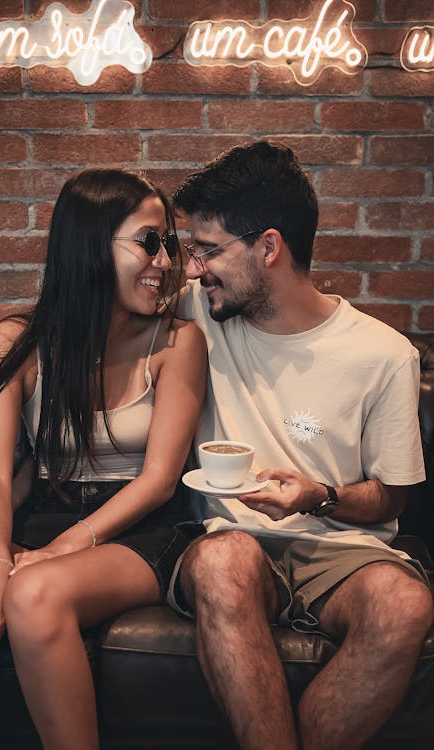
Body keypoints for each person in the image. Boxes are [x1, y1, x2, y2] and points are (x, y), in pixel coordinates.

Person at [168, 140, 434, 750]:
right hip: (230, 541)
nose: (191, 268)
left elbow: (391, 499)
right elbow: (88, 305)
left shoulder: (385, 356)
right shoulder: (200, 312)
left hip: (341, 552)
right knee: (221, 563)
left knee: (404, 604)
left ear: (269, 247)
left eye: (207, 251)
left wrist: (319, 497)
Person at [0, 168, 207, 750]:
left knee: (33, 595)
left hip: (140, 530)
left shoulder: (177, 342)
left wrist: (59, 551)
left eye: (168, 245)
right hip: (43, 513)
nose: (165, 261)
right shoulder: (16, 341)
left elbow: (160, 481)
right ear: (88, 244)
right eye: (148, 242)